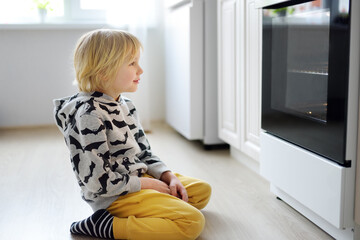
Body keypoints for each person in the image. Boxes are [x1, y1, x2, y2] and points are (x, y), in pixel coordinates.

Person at [53, 29, 211, 240]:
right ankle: (106, 225)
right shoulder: (88, 114)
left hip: (137, 177)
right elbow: (96, 182)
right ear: (104, 72)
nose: (141, 70)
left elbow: (144, 152)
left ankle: (154, 207)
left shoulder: (125, 104)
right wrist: (148, 184)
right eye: (132, 63)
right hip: (113, 195)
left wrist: (167, 176)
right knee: (192, 222)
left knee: (201, 191)